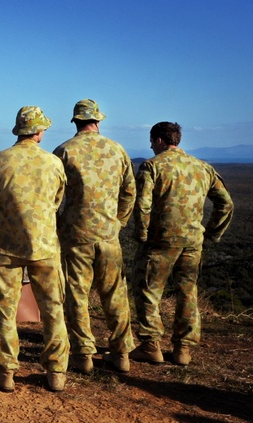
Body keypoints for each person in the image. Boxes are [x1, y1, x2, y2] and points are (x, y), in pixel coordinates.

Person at [0, 106, 69, 392]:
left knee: (4, 309)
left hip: (7, 245)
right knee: (53, 308)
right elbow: (57, 201)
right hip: (45, 246)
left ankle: (5, 371)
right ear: (40, 132)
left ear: (19, 129)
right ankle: (56, 372)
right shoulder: (54, 163)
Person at [130, 122, 234, 366]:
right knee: (187, 293)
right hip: (192, 242)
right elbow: (226, 204)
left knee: (148, 291)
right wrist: (211, 234)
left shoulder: (152, 166)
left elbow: (142, 205)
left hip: (160, 241)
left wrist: (142, 235)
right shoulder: (203, 167)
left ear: (158, 140)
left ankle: (150, 346)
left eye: (151, 141)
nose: (150, 146)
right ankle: (183, 350)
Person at [53, 99, 136, 374]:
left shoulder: (64, 151)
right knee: (114, 292)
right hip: (108, 235)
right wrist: (118, 223)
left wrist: (59, 225)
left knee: (77, 293)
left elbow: (53, 196)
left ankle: (83, 354)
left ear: (75, 121)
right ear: (98, 121)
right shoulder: (118, 150)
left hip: (75, 234)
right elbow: (129, 193)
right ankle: (121, 352)